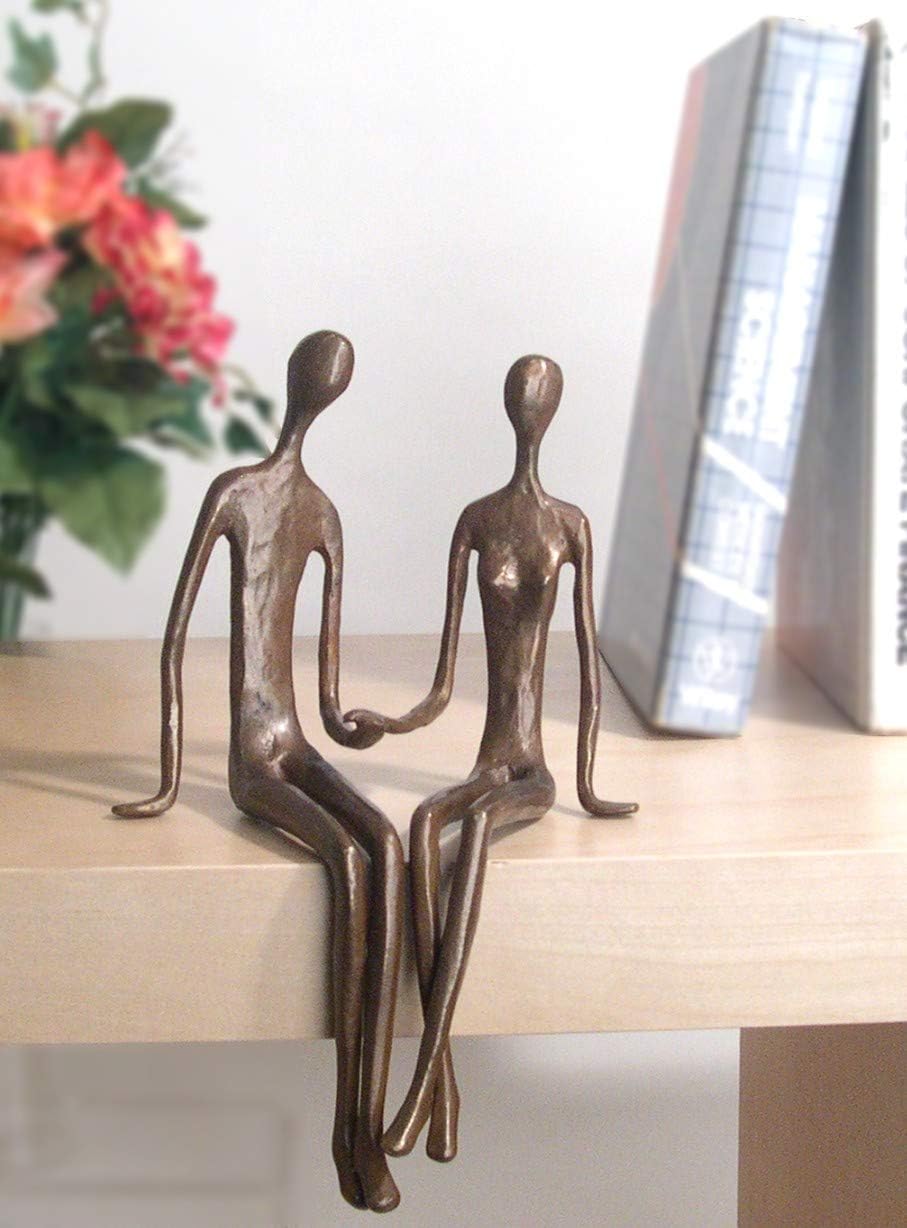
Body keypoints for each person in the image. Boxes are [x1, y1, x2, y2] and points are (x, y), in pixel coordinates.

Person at [113, 331, 404, 1213]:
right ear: (302, 382)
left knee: (388, 845)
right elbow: (174, 642)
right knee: (347, 858)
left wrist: (361, 727)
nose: (322, 388)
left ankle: (369, 1118)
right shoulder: (236, 493)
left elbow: (326, 695)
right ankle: (348, 1132)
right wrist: (170, 780)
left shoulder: (323, 515)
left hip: (297, 743)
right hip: (254, 760)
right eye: (321, 374)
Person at [346, 354, 637, 1162]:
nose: (529, 408)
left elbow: (587, 671)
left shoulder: (569, 526)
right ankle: (439, 1089)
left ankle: (424, 1082)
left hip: (528, 766)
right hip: (485, 761)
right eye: (521, 396)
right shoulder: (476, 520)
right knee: (421, 821)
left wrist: (587, 787)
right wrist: (390, 723)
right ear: (510, 408)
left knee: (471, 831)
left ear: (551, 411)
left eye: (539, 397)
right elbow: (444, 680)